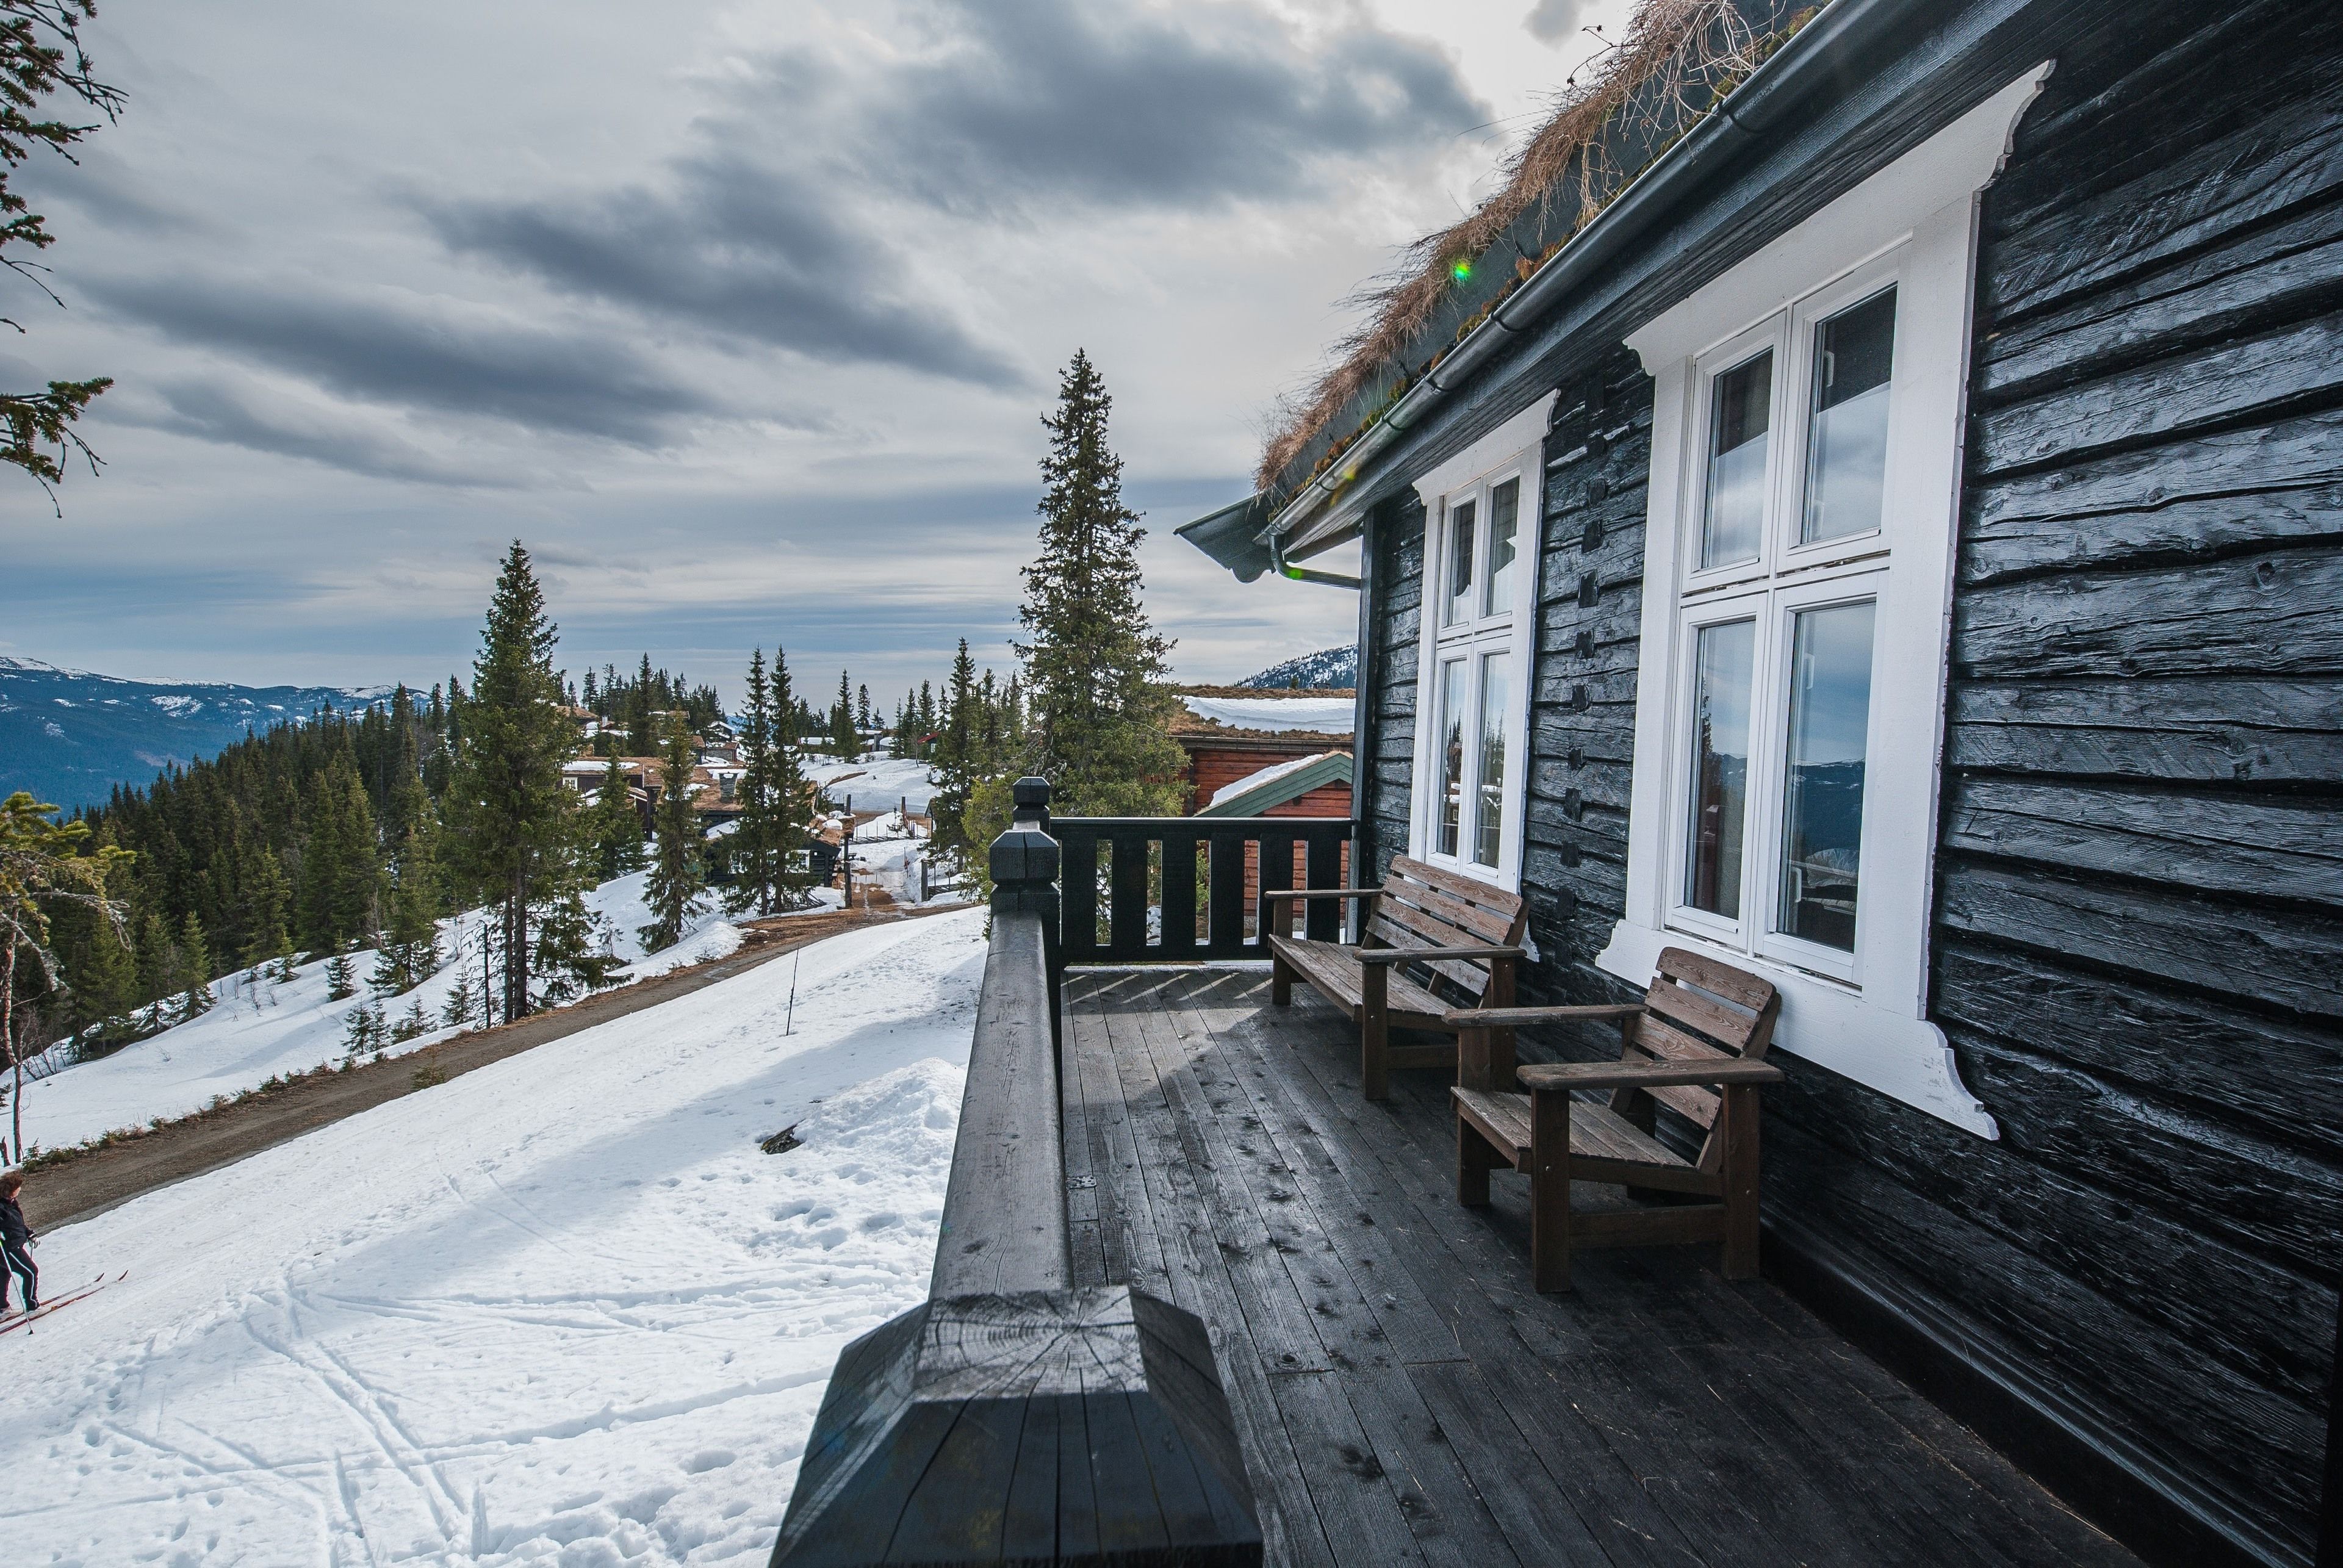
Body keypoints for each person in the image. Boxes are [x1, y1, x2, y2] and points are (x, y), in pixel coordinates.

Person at [0, 1170, 36, 1313]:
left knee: (4, 1273)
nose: (20, 1190)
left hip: (13, 1243)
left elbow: (16, 1224)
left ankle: (3, 1308)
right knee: (31, 1272)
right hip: (9, 1246)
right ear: (11, 1190)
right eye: (18, 1187)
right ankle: (33, 1306)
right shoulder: (2, 1207)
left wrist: (28, 1233)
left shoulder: (11, 1203)